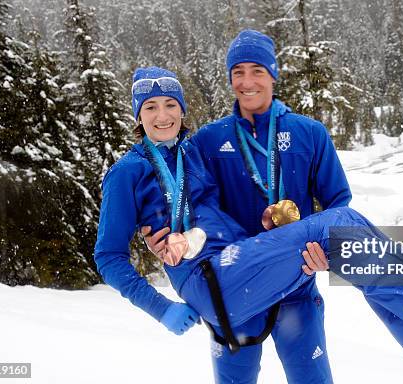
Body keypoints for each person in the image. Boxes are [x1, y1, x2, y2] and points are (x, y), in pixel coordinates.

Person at [94, 66, 403, 383]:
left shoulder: (193, 154)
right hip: (209, 281)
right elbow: (108, 257)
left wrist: (269, 225)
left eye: (170, 104)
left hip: (237, 267)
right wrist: (161, 307)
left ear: (181, 108)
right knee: (342, 225)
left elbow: (214, 216)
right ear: (137, 115)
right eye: (149, 107)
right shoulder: (126, 173)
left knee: (350, 252)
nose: (161, 115)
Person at [143, 29, 350, 384]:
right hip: (236, 287)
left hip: (296, 284)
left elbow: (339, 204)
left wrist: (326, 252)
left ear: (273, 74)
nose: (247, 81)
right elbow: (180, 197)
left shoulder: (309, 133)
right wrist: (157, 235)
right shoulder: (209, 139)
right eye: (238, 72)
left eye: (257, 70)